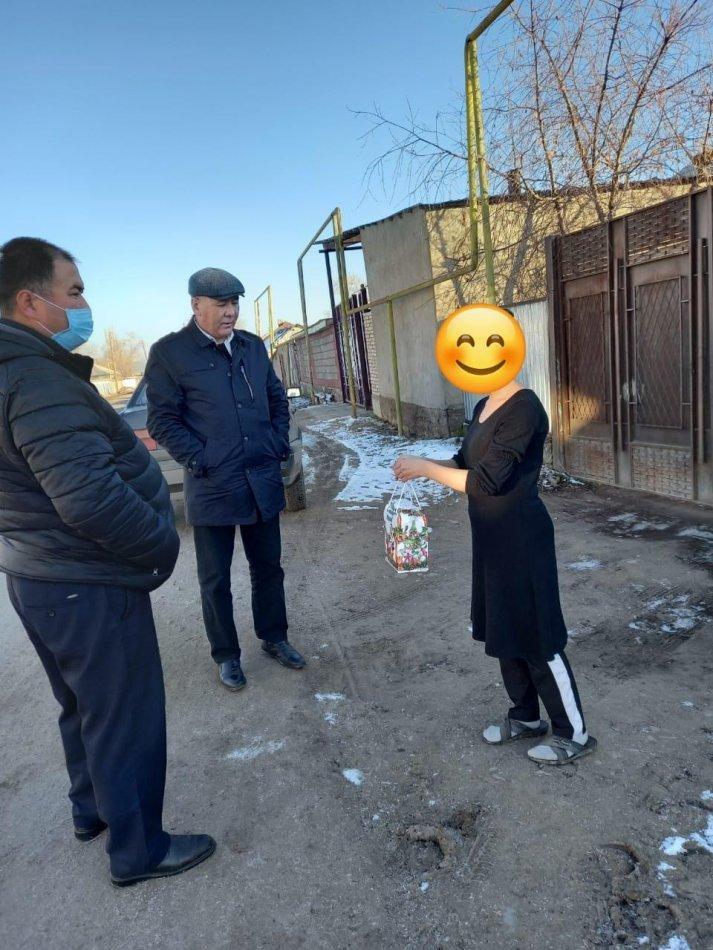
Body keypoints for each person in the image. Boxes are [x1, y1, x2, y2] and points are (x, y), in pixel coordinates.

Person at [0, 237, 216, 885]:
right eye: (73, 292)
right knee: (124, 714)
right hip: (85, 581)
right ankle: (138, 850)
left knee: (83, 705)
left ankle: (91, 810)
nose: (83, 304)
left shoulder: (15, 369)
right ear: (29, 302)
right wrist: (160, 545)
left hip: (38, 573)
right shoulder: (37, 378)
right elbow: (89, 499)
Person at [393, 378, 596, 765]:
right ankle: (526, 717)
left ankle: (574, 734)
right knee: (505, 627)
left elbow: (486, 481)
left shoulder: (524, 409)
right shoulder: (483, 405)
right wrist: (420, 467)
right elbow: (464, 463)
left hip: (523, 538)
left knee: (537, 635)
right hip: (491, 540)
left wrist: (426, 469)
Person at [145, 267, 305, 691]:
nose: (231, 311)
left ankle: (274, 637)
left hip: (260, 479)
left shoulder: (252, 347)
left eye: (234, 303)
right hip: (213, 485)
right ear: (196, 305)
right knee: (215, 579)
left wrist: (276, 442)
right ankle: (227, 655)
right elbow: (162, 421)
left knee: (268, 567)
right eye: (221, 304)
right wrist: (201, 459)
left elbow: (276, 399)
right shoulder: (171, 353)